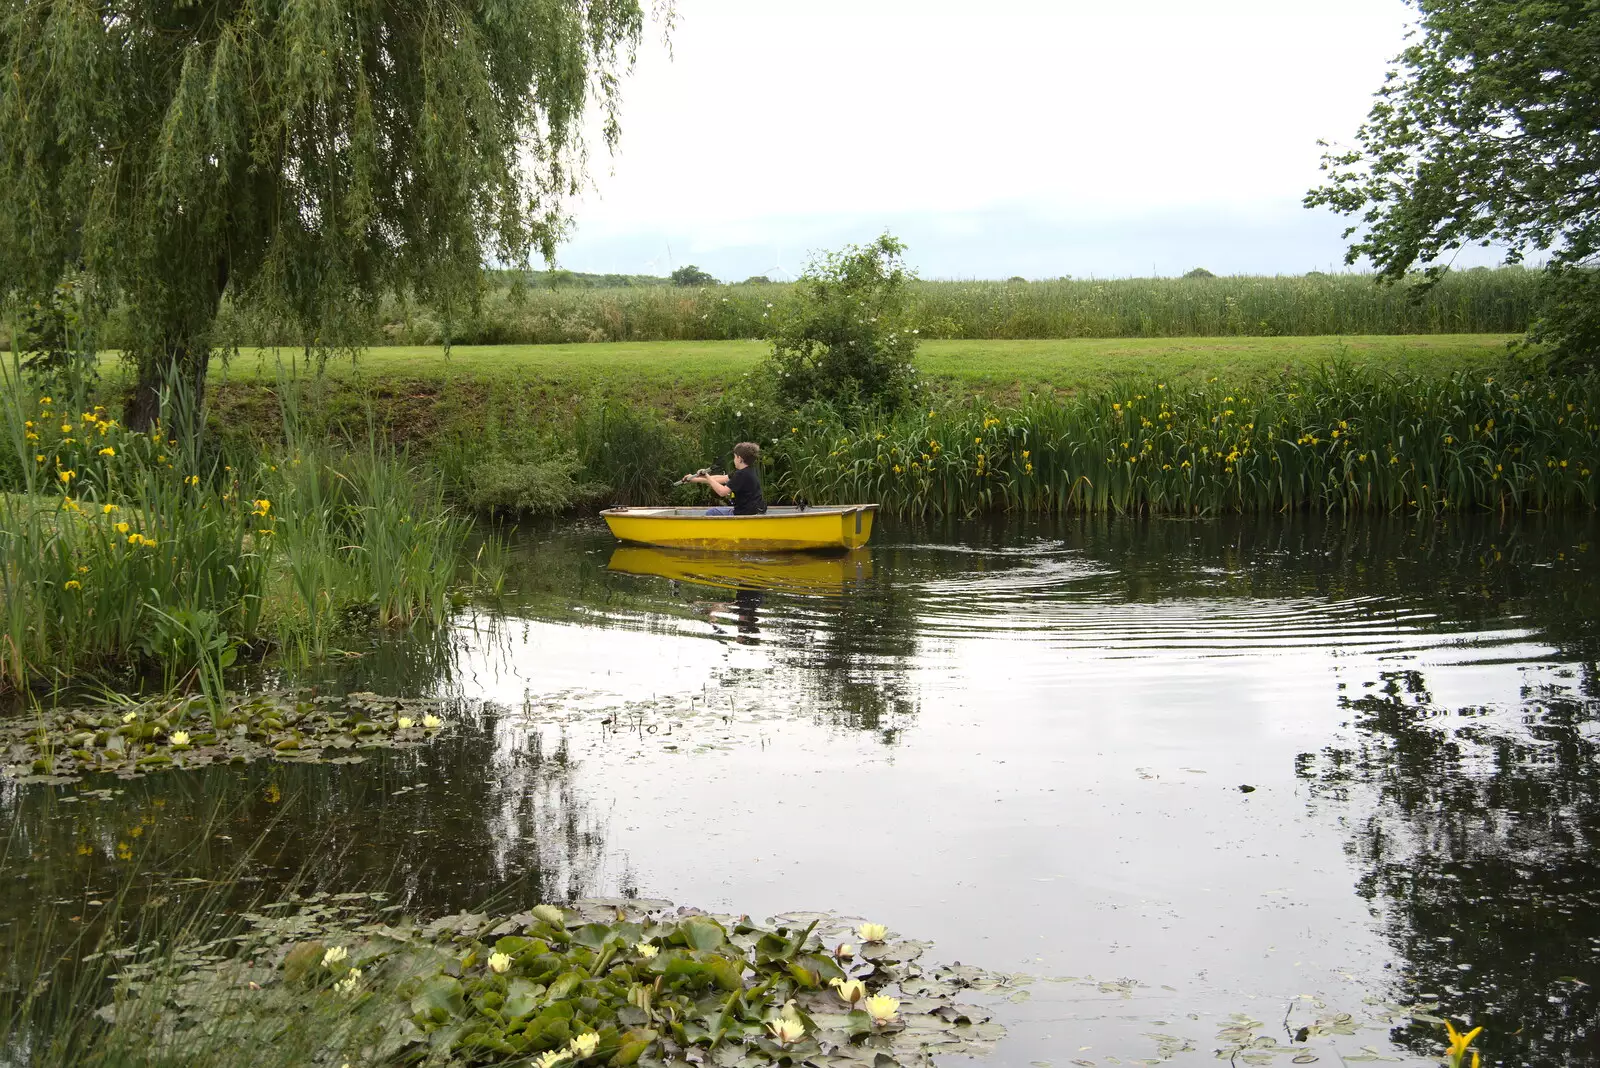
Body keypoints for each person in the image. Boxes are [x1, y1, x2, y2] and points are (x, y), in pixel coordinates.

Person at [684, 441, 766, 516]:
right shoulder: (749, 470)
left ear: (740, 459)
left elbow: (722, 492)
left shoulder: (741, 475)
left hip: (743, 513)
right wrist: (694, 479)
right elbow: (722, 478)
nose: (734, 460)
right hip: (752, 511)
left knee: (711, 512)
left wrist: (708, 477)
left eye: (734, 457)